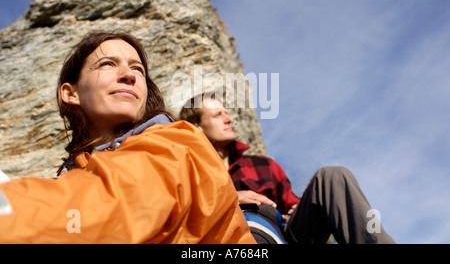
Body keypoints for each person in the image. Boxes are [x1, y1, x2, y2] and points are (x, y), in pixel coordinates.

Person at [0, 32, 255, 244]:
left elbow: (113, 207)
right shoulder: (76, 173)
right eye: (108, 64)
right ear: (70, 93)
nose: (129, 75)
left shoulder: (177, 140)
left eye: (138, 69)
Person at [179, 92, 395, 244]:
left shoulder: (262, 165)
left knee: (332, 176)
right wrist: (230, 197)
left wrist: (294, 209)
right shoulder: (189, 169)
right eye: (217, 115)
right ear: (197, 127)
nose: (228, 119)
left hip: (285, 233)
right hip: (229, 237)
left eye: (226, 113)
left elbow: (292, 204)